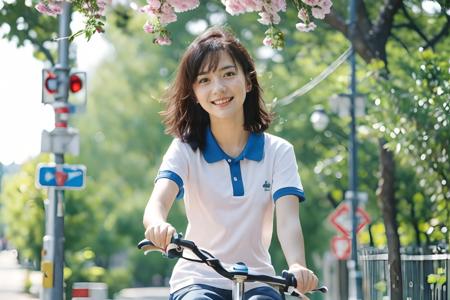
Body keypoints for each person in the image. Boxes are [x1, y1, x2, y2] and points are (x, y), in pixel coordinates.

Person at [143, 26, 318, 300]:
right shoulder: (185, 149)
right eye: (204, 80)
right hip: (196, 280)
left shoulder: (279, 152)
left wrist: (297, 265)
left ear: (248, 82)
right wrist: (158, 224)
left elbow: (288, 222)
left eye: (228, 74)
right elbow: (157, 203)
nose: (219, 88)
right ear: (195, 93)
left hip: (258, 279)